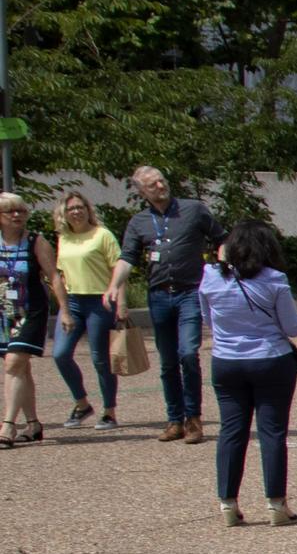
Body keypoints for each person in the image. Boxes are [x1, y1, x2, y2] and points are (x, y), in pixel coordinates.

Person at [197, 220, 297, 526]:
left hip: (226, 361)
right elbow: (292, 327)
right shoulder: (275, 280)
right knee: (272, 431)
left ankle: (228, 503)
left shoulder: (210, 278)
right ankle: (275, 503)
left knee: (231, 431)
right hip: (271, 359)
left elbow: (207, 319)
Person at [108, 165, 220, 442]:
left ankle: (193, 418)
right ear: (141, 191)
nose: (160, 186)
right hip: (159, 295)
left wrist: (225, 270)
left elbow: (222, 239)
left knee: (187, 353)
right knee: (168, 361)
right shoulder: (139, 222)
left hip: (190, 292)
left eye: (161, 181)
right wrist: (114, 284)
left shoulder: (194, 210)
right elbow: (127, 258)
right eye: (152, 184)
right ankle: (174, 419)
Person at [50, 190, 120, 428]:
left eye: (80, 207)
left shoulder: (103, 235)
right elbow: (60, 274)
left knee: (100, 359)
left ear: (88, 210)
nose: (76, 212)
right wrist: (64, 308)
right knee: (60, 354)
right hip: (72, 302)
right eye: (71, 209)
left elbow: (118, 271)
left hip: (99, 301)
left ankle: (109, 410)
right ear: (64, 213)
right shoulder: (64, 238)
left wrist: (121, 304)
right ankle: (82, 404)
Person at [0, 192, 62, 445]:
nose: (17, 215)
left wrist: (65, 311)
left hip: (31, 311)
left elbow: (53, 276)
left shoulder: (36, 241)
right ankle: (34, 424)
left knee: (13, 364)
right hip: (4, 312)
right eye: (11, 211)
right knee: (21, 369)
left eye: (21, 211)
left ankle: (7, 426)